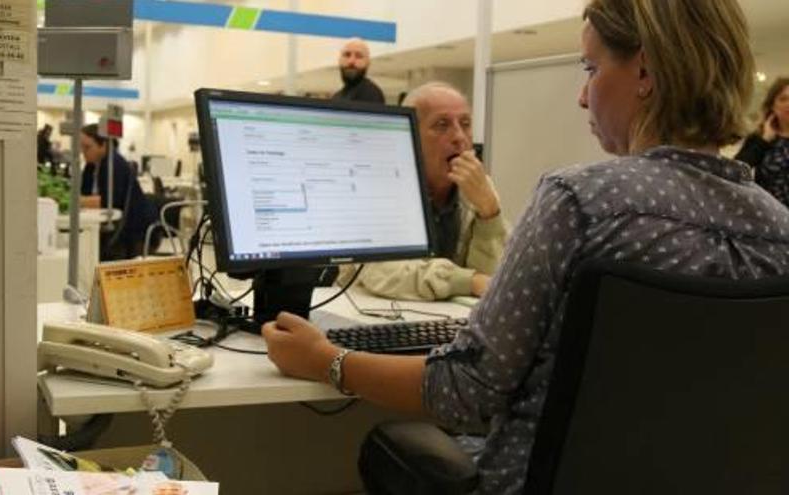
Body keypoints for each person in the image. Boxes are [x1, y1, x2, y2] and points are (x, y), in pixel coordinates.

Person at [262, 0, 789, 493]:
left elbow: (468, 390)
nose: (583, 95)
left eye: (590, 69)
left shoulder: (580, 200)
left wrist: (328, 360)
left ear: (645, 72)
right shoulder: (779, 227)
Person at [338, 82, 509, 301]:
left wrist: (489, 213)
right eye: (442, 125)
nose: (459, 137)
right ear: (409, 134)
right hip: (370, 318)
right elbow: (385, 273)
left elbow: (492, 282)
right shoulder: (378, 187)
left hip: (445, 320)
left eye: (465, 124)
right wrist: (467, 281)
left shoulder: (478, 189)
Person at [79, 124, 157, 260]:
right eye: (82, 147)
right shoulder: (90, 166)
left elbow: (109, 202)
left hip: (133, 233)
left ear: (103, 145)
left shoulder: (115, 165)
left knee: (94, 251)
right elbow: (84, 194)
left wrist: (77, 201)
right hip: (111, 226)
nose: (83, 152)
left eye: (87, 147)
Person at [735, 77, 789, 206]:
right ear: (772, 106)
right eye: (783, 99)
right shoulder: (759, 138)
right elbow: (736, 171)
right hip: (768, 215)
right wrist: (764, 141)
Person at [332, 38, 385, 104]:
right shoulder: (336, 97)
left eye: (359, 56)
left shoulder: (371, 93)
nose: (351, 61)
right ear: (339, 61)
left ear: (367, 63)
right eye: (347, 55)